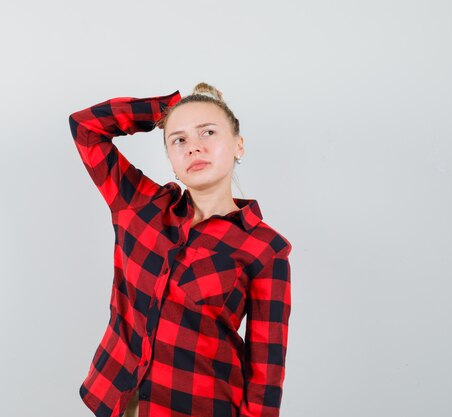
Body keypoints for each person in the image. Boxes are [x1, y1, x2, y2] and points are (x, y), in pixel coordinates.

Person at [68, 83, 293, 417]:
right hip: (117, 398)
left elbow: (266, 371)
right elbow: (86, 127)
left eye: (208, 133)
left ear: (238, 146)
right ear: (172, 160)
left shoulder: (265, 248)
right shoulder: (138, 205)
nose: (193, 148)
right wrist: (165, 107)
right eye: (179, 140)